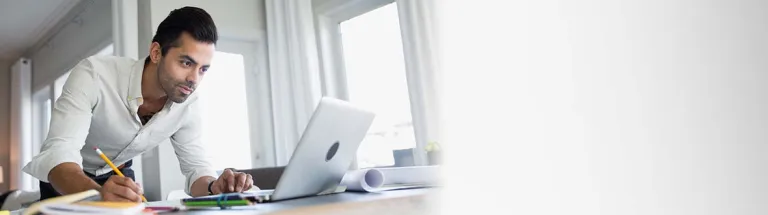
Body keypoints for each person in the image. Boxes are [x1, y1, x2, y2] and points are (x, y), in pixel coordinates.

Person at [22, 6, 256, 202]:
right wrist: (98, 194)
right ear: (156, 52)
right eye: (186, 63)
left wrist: (214, 187)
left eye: (203, 69)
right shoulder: (94, 74)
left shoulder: (188, 105)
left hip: (119, 174)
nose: (194, 79)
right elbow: (59, 153)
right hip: (67, 177)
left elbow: (197, 171)